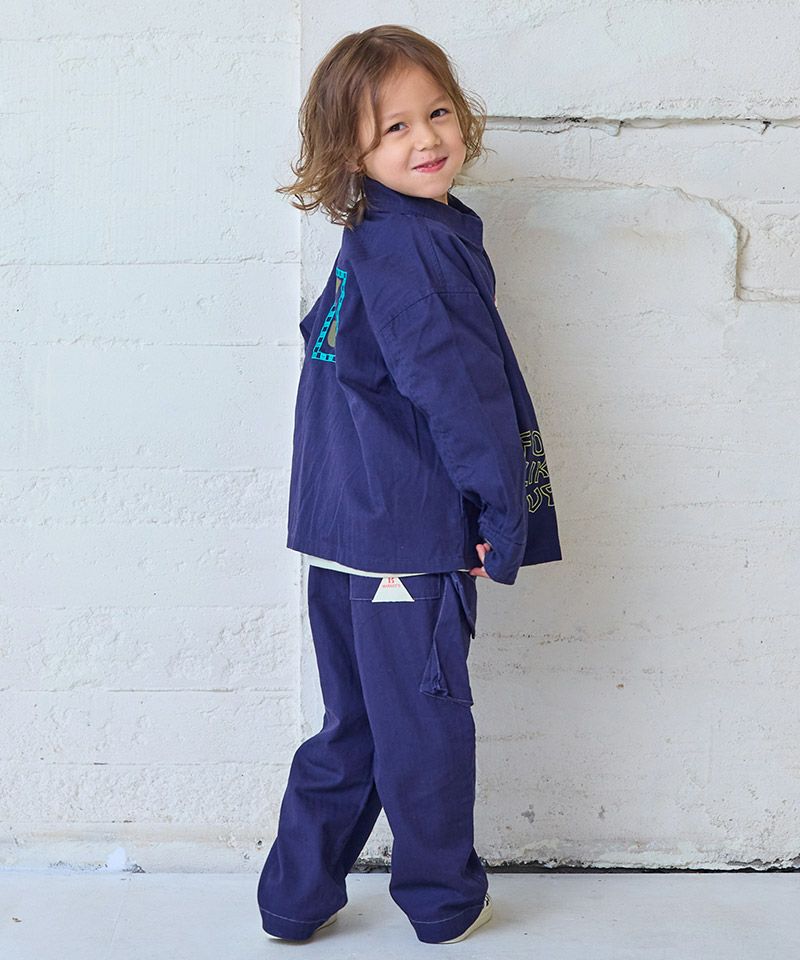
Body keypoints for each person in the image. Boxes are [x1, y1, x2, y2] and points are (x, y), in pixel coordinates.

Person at [257, 24, 562, 945]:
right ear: (349, 149)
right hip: (405, 537)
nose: (426, 138)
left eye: (437, 113)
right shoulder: (420, 249)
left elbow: (335, 358)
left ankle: (293, 900)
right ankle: (442, 904)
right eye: (393, 127)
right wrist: (499, 514)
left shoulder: (371, 238)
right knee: (422, 726)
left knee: (354, 723)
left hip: (343, 532)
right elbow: (461, 395)